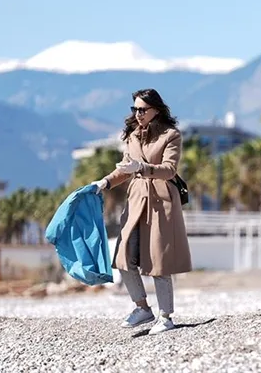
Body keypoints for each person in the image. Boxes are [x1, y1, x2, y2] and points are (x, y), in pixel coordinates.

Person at [91, 88, 192, 335]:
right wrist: (105, 182)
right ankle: (142, 308)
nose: (138, 114)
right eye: (134, 109)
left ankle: (165, 317)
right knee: (123, 256)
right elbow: (125, 169)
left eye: (143, 109)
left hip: (160, 201)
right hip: (136, 200)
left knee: (159, 260)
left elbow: (169, 169)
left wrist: (142, 168)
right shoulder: (132, 136)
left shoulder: (171, 135)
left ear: (156, 110)